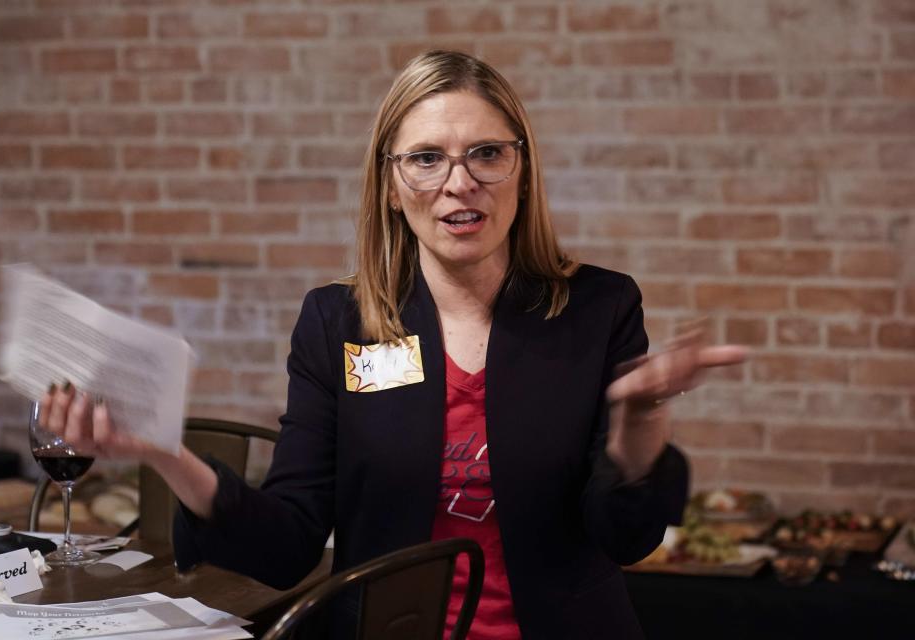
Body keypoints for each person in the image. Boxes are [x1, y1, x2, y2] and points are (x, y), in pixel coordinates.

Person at [41, 50, 748, 639]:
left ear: (522, 168)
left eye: (486, 154)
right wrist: (162, 450)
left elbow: (625, 536)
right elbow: (287, 544)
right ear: (389, 184)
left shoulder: (596, 307)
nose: (458, 182)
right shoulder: (335, 322)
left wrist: (641, 429)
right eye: (426, 159)